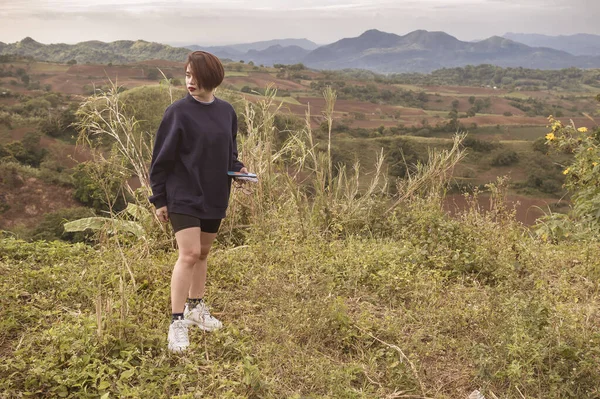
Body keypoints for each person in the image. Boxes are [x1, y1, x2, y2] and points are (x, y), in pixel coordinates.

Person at [148, 51, 249, 353]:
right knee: (189, 253)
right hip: (183, 194)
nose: (190, 82)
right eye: (187, 75)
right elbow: (160, 160)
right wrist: (159, 199)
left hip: (215, 192)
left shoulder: (227, 111)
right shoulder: (178, 112)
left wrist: (239, 169)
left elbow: (228, 152)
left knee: (203, 253)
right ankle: (177, 322)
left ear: (212, 79)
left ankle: (196, 309)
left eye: (196, 76)